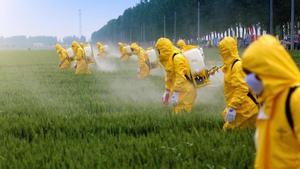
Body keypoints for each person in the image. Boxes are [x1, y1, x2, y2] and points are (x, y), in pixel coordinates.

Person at [242, 35, 300, 169]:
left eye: (251, 73)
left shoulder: (296, 99)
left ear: (268, 70)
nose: (247, 80)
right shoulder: (269, 103)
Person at [218, 37, 258, 130]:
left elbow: (242, 89)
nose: (221, 53)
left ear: (228, 51)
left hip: (246, 110)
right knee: (225, 116)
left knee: (227, 130)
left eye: (222, 50)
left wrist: (232, 107)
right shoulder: (230, 65)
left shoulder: (237, 66)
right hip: (241, 106)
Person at [155, 38, 197, 113]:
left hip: (187, 91)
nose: (157, 53)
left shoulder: (177, 58)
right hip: (181, 89)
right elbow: (169, 76)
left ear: (163, 50)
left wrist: (175, 93)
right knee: (176, 111)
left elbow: (181, 79)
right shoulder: (169, 59)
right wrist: (167, 91)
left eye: (158, 50)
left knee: (180, 114)